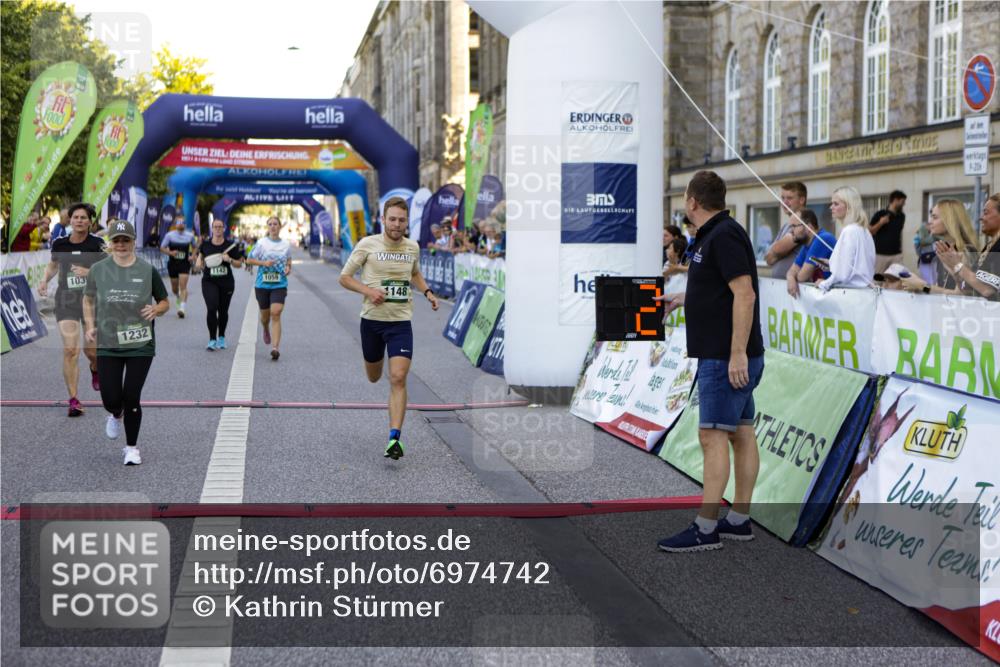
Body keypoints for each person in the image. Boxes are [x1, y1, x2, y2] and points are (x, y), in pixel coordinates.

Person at [656, 171, 765, 552]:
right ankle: (739, 519)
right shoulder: (714, 234)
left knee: (712, 436)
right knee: (741, 433)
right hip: (727, 354)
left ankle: (706, 528)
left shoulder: (724, 234)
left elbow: (745, 294)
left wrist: (737, 353)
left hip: (726, 356)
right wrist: (683, 298)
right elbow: (720, 288)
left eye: (685, 197)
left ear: (692, 202)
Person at [338, 196, 439, 460]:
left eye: (401, 220)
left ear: (407, 222)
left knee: (397, 377)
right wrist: (369, 291)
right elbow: (344, 277)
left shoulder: (412, 247)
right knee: (374, 376)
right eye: (392, 219)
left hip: (400, 323)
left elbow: (414, 272)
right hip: (372, 321)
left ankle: (394, 438)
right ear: (383, 219)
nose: (396, 224)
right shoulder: (367, 244)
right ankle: (374, 364)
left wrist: (427, 292)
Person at [83, 219, 169, 465]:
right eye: (117, 240)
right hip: (109, 342)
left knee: (132, 395)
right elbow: (88, 300)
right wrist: (89, 326)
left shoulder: (147, 270)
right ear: (111, 243)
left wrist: (156, 310)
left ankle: (132, 448)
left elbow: (164, 301)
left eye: (126, 240)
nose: (121, 244)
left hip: (140, 342)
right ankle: (115, 413)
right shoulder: (99, 269)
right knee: (111, 399)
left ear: (133, 242)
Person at [38, 203, 106, 417]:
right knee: (70, 350)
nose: (79, 221)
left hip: (91, 301)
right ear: (70, 220)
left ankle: (95, 368)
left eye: (83, 218)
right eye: (75, 217)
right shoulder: (60, 243)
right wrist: (44, 280)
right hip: (66, 300)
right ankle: (74, 399)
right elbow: (53, 265)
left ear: (90, 221)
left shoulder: (97, 244)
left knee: (91, 352)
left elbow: (108, 271)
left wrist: (89, 272)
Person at [900, 199, 979, 296]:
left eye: (935, 217)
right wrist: (919, 287)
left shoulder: (967, 251)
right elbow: (941, 290)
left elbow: (960, 295)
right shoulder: (944, 249)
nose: (930, 222)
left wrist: (921, 285)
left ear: (949, 220)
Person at [245, 217, 292, 360]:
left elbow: (288, 260)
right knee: (265, 317)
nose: (273, 227)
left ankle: (275, 348)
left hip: (279, 284)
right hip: (262, 285)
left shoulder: (286, 244)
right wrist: (264, 263)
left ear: (279, 227)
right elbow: (249, 260)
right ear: (267, 227)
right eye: (270, 224)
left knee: (276, 313)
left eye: (275, 224)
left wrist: (289, 268)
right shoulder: (261, 243)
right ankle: (265, 328)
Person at [196, 218, 244, 350]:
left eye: (220, 227)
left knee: (223, 311)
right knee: (212, 307)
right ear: (212, 228)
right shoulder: (205, 245)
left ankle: (221, 337)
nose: (217, 229)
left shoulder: (231, 245)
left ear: (224, 228)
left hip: (226, 282)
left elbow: (239, 264)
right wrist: (198, 263)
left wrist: (230, 260)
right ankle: (212, 339)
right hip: (209, 281)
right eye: (215, 227)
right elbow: (199, 260)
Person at [817, 187, 876, 291]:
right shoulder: (864, 231)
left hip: (851, 294)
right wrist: (831, 263)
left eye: (836, 204)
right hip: (864, 293)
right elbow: (856, 265)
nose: (831, 207)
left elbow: (842, 274)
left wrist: (823, 283)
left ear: (849, 206)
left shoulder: (849, 231)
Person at [785, 209, 836, 298]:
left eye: (794, 226)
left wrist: (794, 276)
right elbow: (791, 271)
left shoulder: (822, 239)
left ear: (808, 227)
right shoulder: (807, 245)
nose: (791, 231)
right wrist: (790, 278)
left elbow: (802, 277)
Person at [764, 181, 808, 279]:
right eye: (783, 198)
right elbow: (767, 258)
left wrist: (777, 253)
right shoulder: (786, 225)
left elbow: (776, 249)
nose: (784, 202)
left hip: (795, 288)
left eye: (789, 198)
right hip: (782, 287)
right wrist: (779, 252)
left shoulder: (803, 223)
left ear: (801, 200)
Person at [159, 219, 198, 318]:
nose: (180, 224)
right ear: (175, 225)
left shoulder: (190, 236)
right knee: (174, 289)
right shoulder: (169, 235)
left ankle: (182, 308)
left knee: (183, 287)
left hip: (184, 263)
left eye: (182, 223)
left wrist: (193, 256)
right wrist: (170, 253)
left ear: (185, 225)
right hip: (173, 264)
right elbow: (162, 247)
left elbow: (195, 246)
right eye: (178, 223)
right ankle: (178, 297)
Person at [869, 190, 907, 274]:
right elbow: (870, 231)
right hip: (880, 255)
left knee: (898, 279)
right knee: (878, 281)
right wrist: (880, 223)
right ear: (895, 200)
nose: (904, 204)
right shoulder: (880, 214)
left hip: (896, 255)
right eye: (902, 201)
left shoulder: (902, 216)